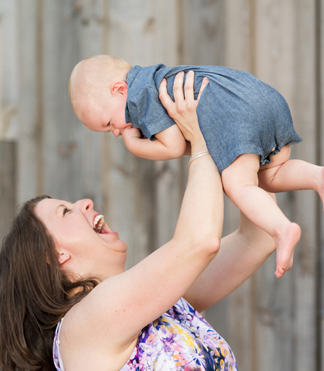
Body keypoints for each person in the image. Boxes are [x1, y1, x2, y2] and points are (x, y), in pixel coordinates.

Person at [0, 72, 274, 371]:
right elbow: (198, 242)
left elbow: (258, 238)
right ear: (57, 259)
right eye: (68, 211)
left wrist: (248, 151)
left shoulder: (159, 306)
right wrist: (199, 139)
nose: (86, 202)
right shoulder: (83, 325)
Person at [69, 54, 324, 278]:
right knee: (269, 174)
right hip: (265, 98)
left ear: (119, 89)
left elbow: (174, 146)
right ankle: (317, 176)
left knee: (239, 184)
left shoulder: (141, 98)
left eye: (108, 124)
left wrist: (134, 145)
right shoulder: (156, 78)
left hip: (236, 115)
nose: (115, 132)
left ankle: (281, 229)